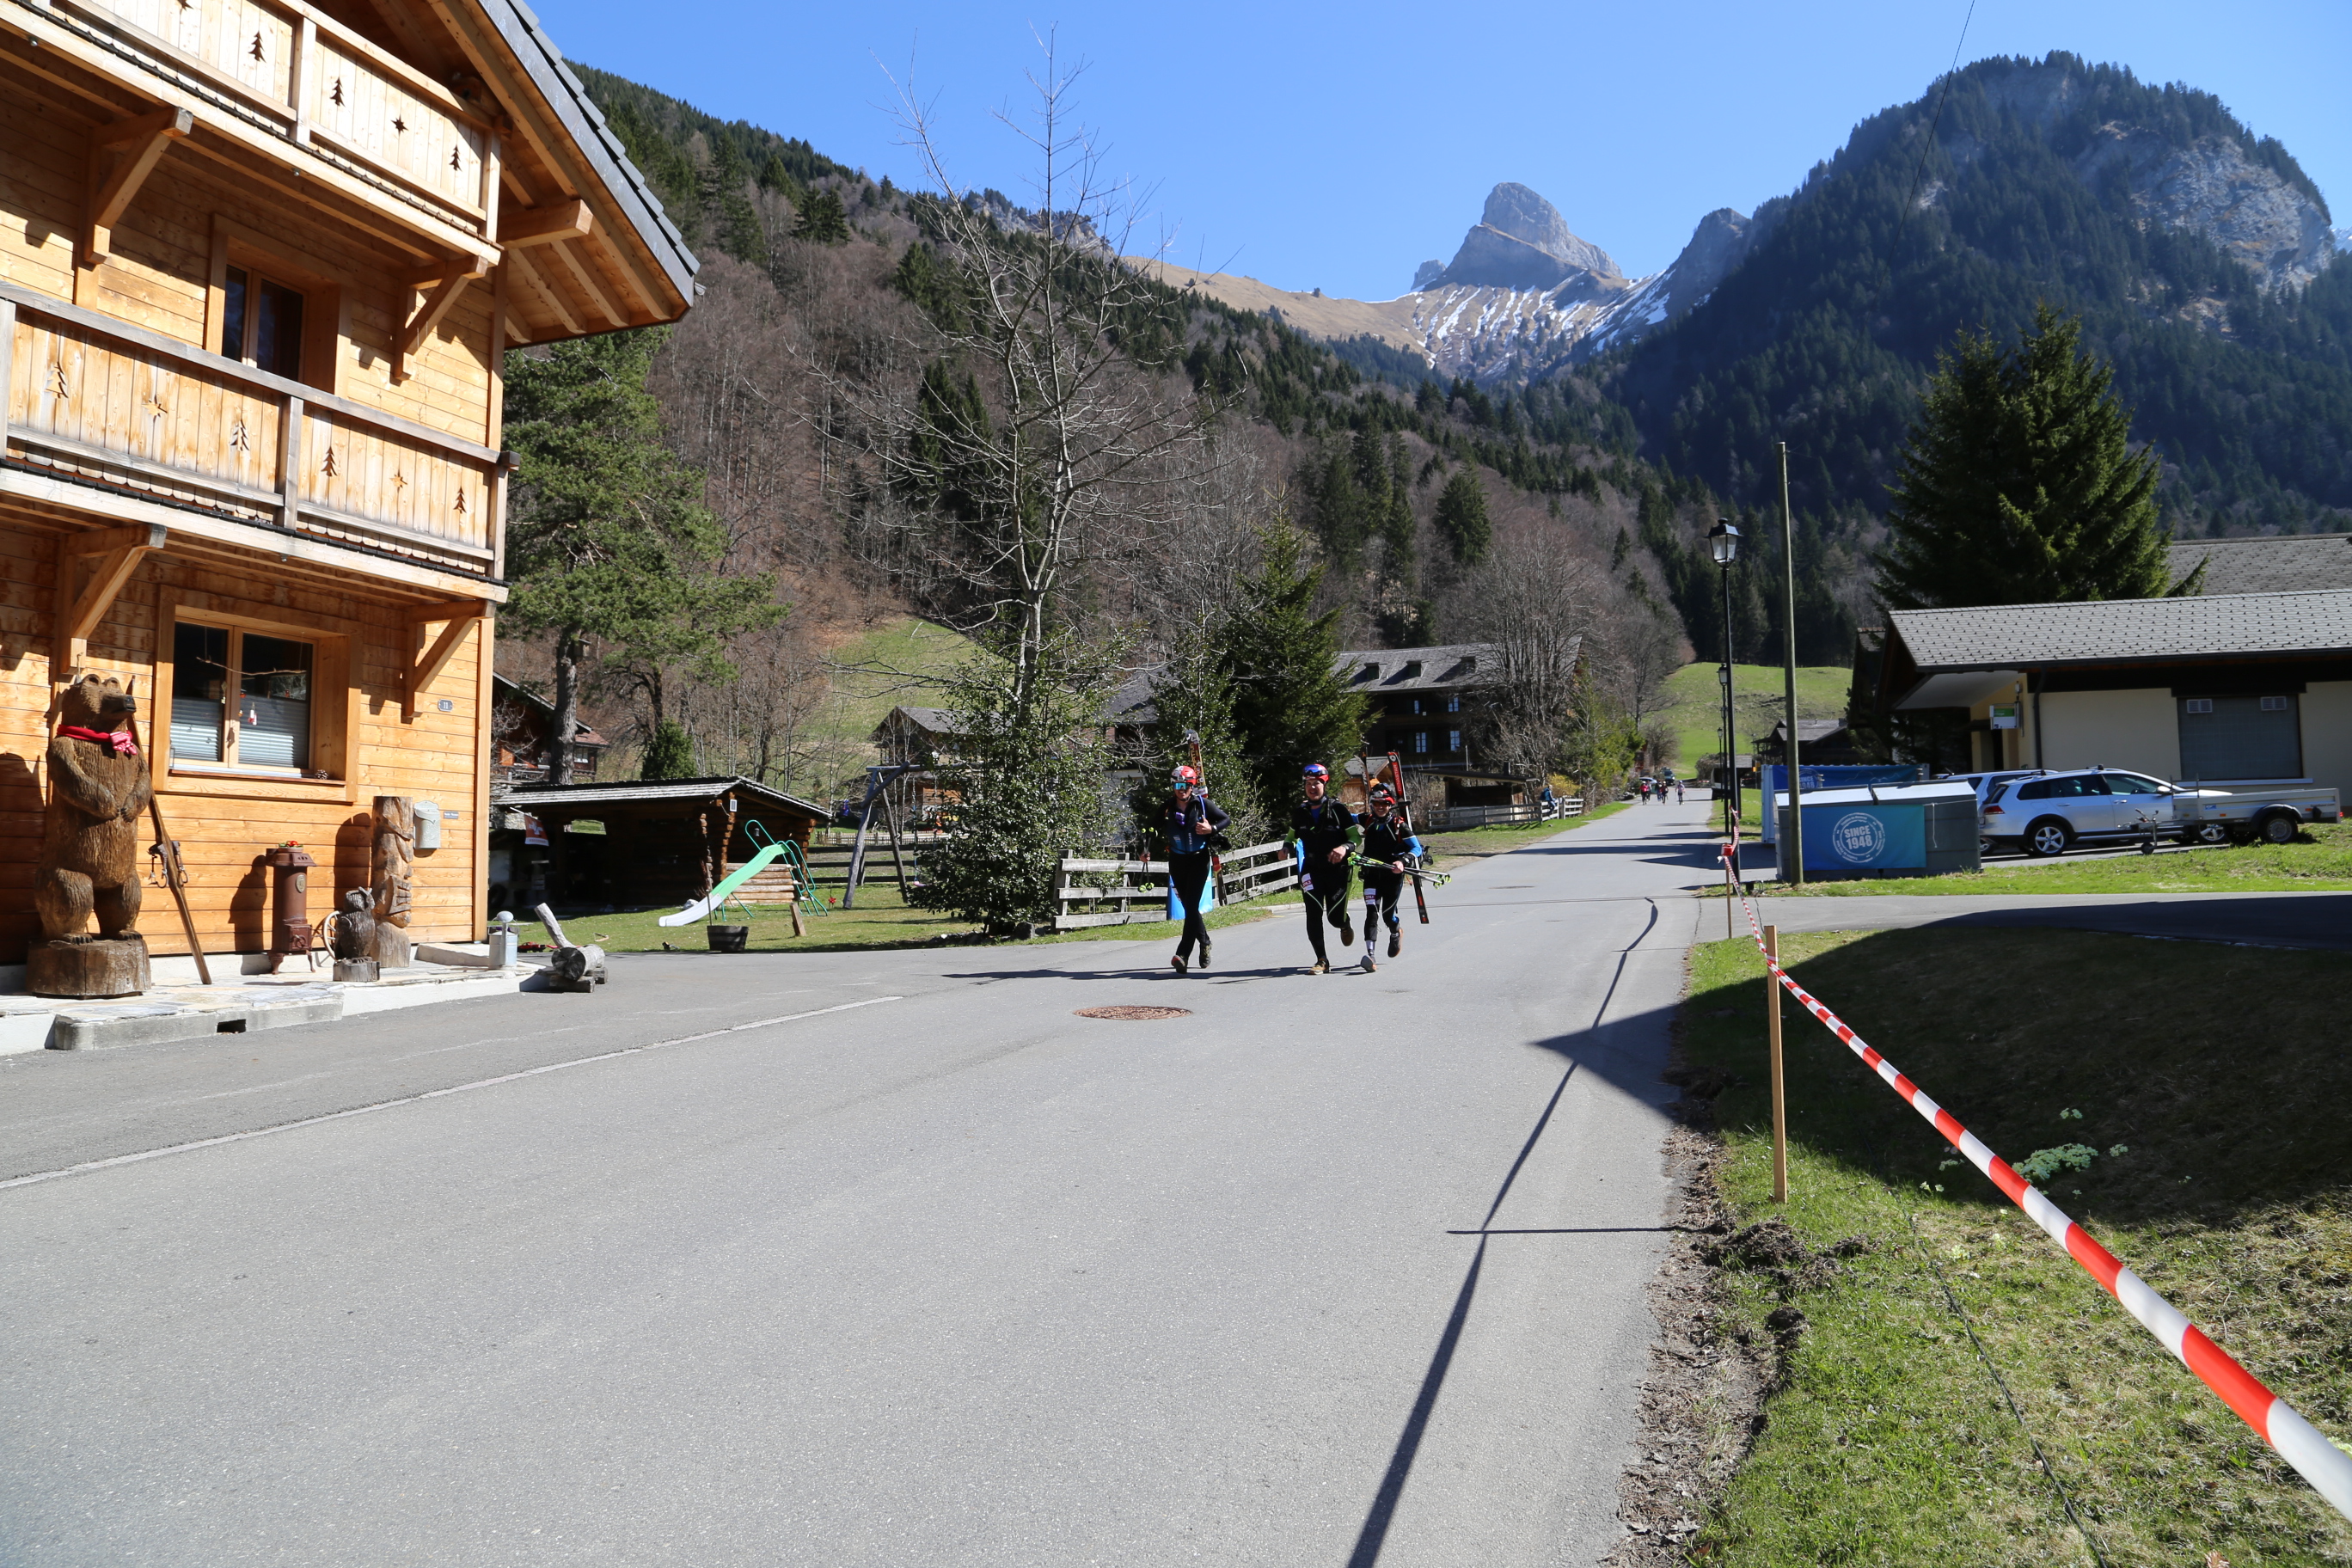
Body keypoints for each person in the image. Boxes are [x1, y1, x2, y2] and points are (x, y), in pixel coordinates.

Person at [1286, 763, 1359, 974]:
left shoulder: (1338, 810)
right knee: (1313, 913)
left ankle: (1344, 924)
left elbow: (1355, 838)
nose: (1312, 787)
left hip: (1337, 870)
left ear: (1324, 784)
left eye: (1316, 783)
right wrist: (1286, 847)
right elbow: (1291, 837)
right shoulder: (1300, 812)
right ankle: (1322, 959)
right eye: (1308, 783)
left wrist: (1344, 848)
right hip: (1311, 869)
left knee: (1334, 918)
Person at [1161, 764, 1229, 973]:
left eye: (1186, 786)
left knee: (1191, 905)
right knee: (1189, 907)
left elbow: (1226, 819)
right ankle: (1205, 941)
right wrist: (1144, 849)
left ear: (1192, 786)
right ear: (1173, 787)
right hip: (1177, 860)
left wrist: (1212, 828)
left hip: (1199, 859)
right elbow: (1150, 827)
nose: (1182, 790)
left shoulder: (1202, 804)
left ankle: (1182, 954)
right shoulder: (1167, 807)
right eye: (1178, 786)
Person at [1356, 783, 1423, 971]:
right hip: (1371, 875)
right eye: (1376, 803)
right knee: (1371, 912)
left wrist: (1403, 861)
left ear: (1390, 805)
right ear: (1371, 804)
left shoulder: (1399, 825)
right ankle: (1370, 955)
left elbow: (1417, 848)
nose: (1380, 807)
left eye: (1385, 804)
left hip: (1392, 877)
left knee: (1387, 915)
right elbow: (1343, 817)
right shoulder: (1367, 819)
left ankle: (1395, 931)